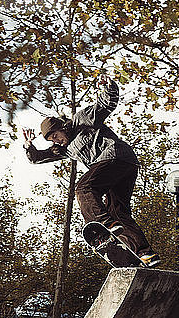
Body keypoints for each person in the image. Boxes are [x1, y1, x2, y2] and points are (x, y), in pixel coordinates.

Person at [22, 75, 160, 267]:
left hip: (115, 156)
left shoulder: (81, 120)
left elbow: (104, 105)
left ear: (62, 127)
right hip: (124, 167)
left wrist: (108, 87)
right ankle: (144, 253)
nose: (56, 141)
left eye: (55, 136)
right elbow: (38, 158)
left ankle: (102, 223)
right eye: (52, 140)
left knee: (83, 189)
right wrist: (29, 146)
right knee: (118, 211)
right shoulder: (64, 149)